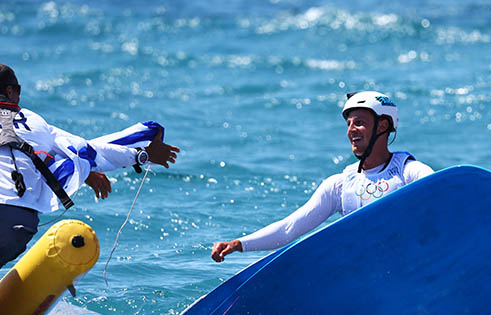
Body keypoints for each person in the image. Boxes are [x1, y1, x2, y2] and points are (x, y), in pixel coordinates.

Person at [211, 90, 434, 262]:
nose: (351, 130)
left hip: (408, 264)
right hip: (365, 272)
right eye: (348, 124)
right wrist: (240, 244)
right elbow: (289, 228)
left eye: (360, 123)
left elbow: (442, 192)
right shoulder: (340, 185)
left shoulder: (408, 171)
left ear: (382, 126)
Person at [0, 63, 180, 269]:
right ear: (10, 91)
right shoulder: (35, 122)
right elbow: (85, 151)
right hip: (18, 224)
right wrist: (142, 154)